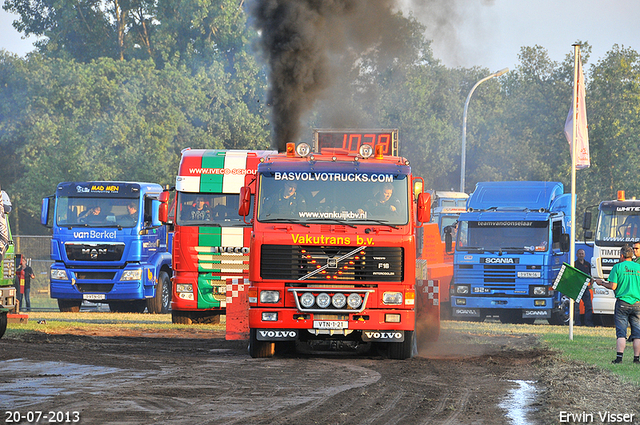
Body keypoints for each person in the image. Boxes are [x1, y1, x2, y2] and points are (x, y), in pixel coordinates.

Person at [594, 245, 640, 364]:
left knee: (621, 333)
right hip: (637, 303)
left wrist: (601, 283)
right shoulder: (638, 267)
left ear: (621, 255)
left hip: (622, 303)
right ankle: (636, 359)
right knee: (637, 334)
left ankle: (619, 358)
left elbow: (613, 286)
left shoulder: (617, 267)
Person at [573, 248, 594, 326]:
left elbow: (591, 275)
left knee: (588, 306)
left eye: (582, 254)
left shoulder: (587, 264)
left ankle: (588, 323)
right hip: (577, 287)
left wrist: (591, 285)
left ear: (584, 255)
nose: (581, 255)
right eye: (579, 254)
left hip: (585, 288)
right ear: (576, 255)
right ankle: (577, 323)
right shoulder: (574, 264)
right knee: (576, 307)